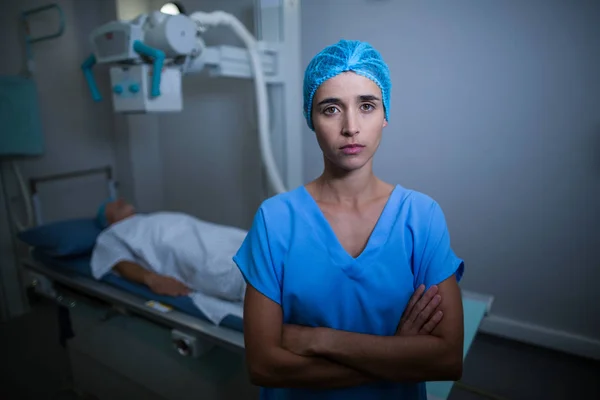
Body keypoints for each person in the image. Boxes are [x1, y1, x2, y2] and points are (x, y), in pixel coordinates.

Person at [233, 39, 465, 399]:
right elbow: (263, 365)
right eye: (330, 109)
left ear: (385, 113)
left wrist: (319, 339)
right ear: (310, 119)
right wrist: (395, 354)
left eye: (367, 106)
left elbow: (446, 359)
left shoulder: (421, 217)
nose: (351, 126)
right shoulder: (275, 220)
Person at [90, 198, 248, 303]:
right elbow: (120, 263)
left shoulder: (146, 219)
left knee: (244, 242)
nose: (120, 200)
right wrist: (152, 279)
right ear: (108, 220)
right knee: (225, 263)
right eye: (115, 205)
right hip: (182, 247)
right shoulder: (111, 234)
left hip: (205, 233)